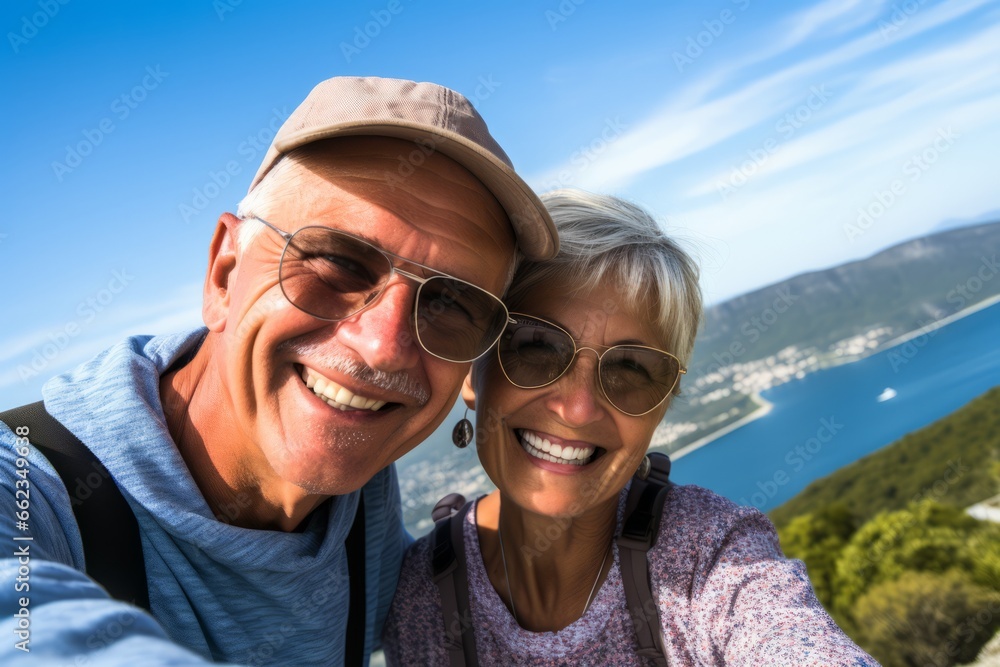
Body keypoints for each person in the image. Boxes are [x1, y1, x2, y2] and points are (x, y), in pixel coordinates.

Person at [0, 76, 557, 665]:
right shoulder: (31, 488)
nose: (385, 348)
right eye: (338, 261)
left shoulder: (361, 504)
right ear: (224, 273)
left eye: (451, 305)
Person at [383, 189, 876, 665]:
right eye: (535, 347)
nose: (577, 409)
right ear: (474, 369)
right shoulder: (421, 598)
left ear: (662, 405)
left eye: (631, 369)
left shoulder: (709, 558)